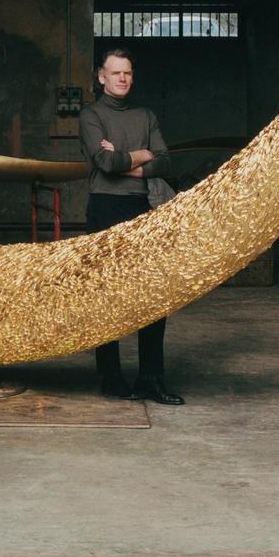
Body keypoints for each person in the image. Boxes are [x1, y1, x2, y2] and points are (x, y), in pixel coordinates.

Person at [78, 47, 184, 405]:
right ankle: (111, 376)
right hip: (105, 209)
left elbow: (166, 161)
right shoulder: (91, 115)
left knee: (152, 296)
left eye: (128, 73)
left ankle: (150, 378)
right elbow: (105, 162)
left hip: (142, 209)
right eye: (115, 73)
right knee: (107, 296)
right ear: (101, 77)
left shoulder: (145, 114)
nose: (123, 79)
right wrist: (143, 154)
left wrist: (128, 159)